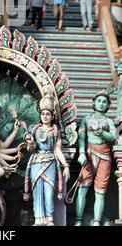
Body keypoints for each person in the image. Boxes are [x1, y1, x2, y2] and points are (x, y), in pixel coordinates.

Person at [23, 91, 70, 226]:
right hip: (36, 162)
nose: (44, 116)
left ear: (52, 116)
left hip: (50, 162)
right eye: (42, 113)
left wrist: (65, 165)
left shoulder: (55, 132)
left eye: (47, 114)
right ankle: (39, 219)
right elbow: (31, 150)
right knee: (38, 192)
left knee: (49, 193)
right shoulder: (36, 130)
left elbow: (57, 150)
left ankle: (49, 219)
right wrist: (30, 143)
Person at [73, 90, 115, 226]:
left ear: (108, 105)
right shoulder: (86, 119)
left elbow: (113, 137)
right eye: (99, 101)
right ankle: (78, 219)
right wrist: (81, 152)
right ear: (94, 103)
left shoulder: (108, 121)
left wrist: (102, 132)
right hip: (88, 154)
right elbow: (81, 138)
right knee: (82, 188)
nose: (101, 104)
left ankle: (97, 220)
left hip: (104, 156)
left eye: (104, 102)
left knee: (100, 191)